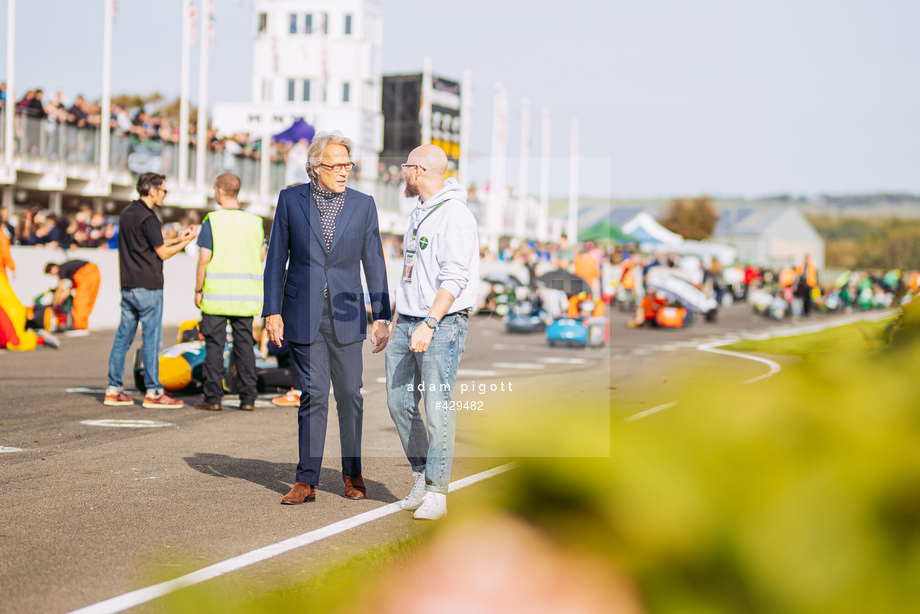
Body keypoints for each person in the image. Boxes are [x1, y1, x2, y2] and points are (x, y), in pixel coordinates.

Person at [262, 131, 391, 505]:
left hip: (348, 315)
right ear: (316, 167)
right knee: (314, 394)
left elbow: (375, 263)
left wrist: (380, 316)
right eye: (336, 165)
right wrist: (272, 309)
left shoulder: (364, 204)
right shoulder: (290, 200)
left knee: (350, 395)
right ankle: (306, 480)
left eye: (348, 164)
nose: (344, 171)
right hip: (302, 313)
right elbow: (276, 260)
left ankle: (352, 473)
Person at [386, 144, 480, 521]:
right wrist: (395, 323)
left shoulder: (455, 214)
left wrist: (429, 323)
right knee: (397, 403)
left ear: (420, 170)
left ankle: (438, 491)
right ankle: (422, 476)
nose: (402, 174)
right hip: (407, 320)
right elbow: (411, 274)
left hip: (439, 323)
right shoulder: (418, 212)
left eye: (406, 167)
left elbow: (454, 277)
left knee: (437, 406)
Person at [105, 172, 198, 408]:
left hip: (128, 286)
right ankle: (154, 392)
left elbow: (154, 244)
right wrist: (187, 242)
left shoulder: (127, 213)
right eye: (164, 190)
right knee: (151, 340)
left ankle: (113, 389)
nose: (165, 195)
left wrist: (178, 238)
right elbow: (162, 253)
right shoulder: (149, 217)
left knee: (122, 340)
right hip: (149, 287)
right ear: (153, 190)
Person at [193, 173, 266, 412]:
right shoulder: (255, 222)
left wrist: (198, 289)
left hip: (216, 295)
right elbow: (262, 255)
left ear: (219, 191)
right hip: (245, 296)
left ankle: (213, 398)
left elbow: (204, 259)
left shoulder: (212, 220)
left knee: (214, 345)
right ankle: (248, 399)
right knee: (245, 346)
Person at [43, 260, 102, 331]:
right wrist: (62, 298)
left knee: (80, 302)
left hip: (86, 274)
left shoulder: (61, 269)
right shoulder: (68, 271)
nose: (52, 275)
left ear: (54, 267)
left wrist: (55, 302)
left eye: (50, 273)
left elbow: (60, 288)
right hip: (94, 272)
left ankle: (80, 327)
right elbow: (68, 289)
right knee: (88, 302)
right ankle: (83, 325)